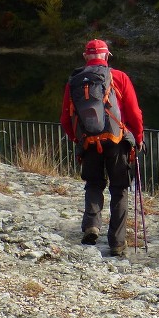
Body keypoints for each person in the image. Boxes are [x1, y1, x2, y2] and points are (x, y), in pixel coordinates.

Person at [60, 39, 145, 258]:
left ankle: (91, 224)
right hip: (116, 141)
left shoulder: (75, 81)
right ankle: (116, 243)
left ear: (84, 56)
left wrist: (77, 139)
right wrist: (138, 137)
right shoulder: (119, 77)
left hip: (88, 142)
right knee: (119, 189)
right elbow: (134, 113)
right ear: (107, 56)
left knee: (94, 184)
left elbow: (65, 119)